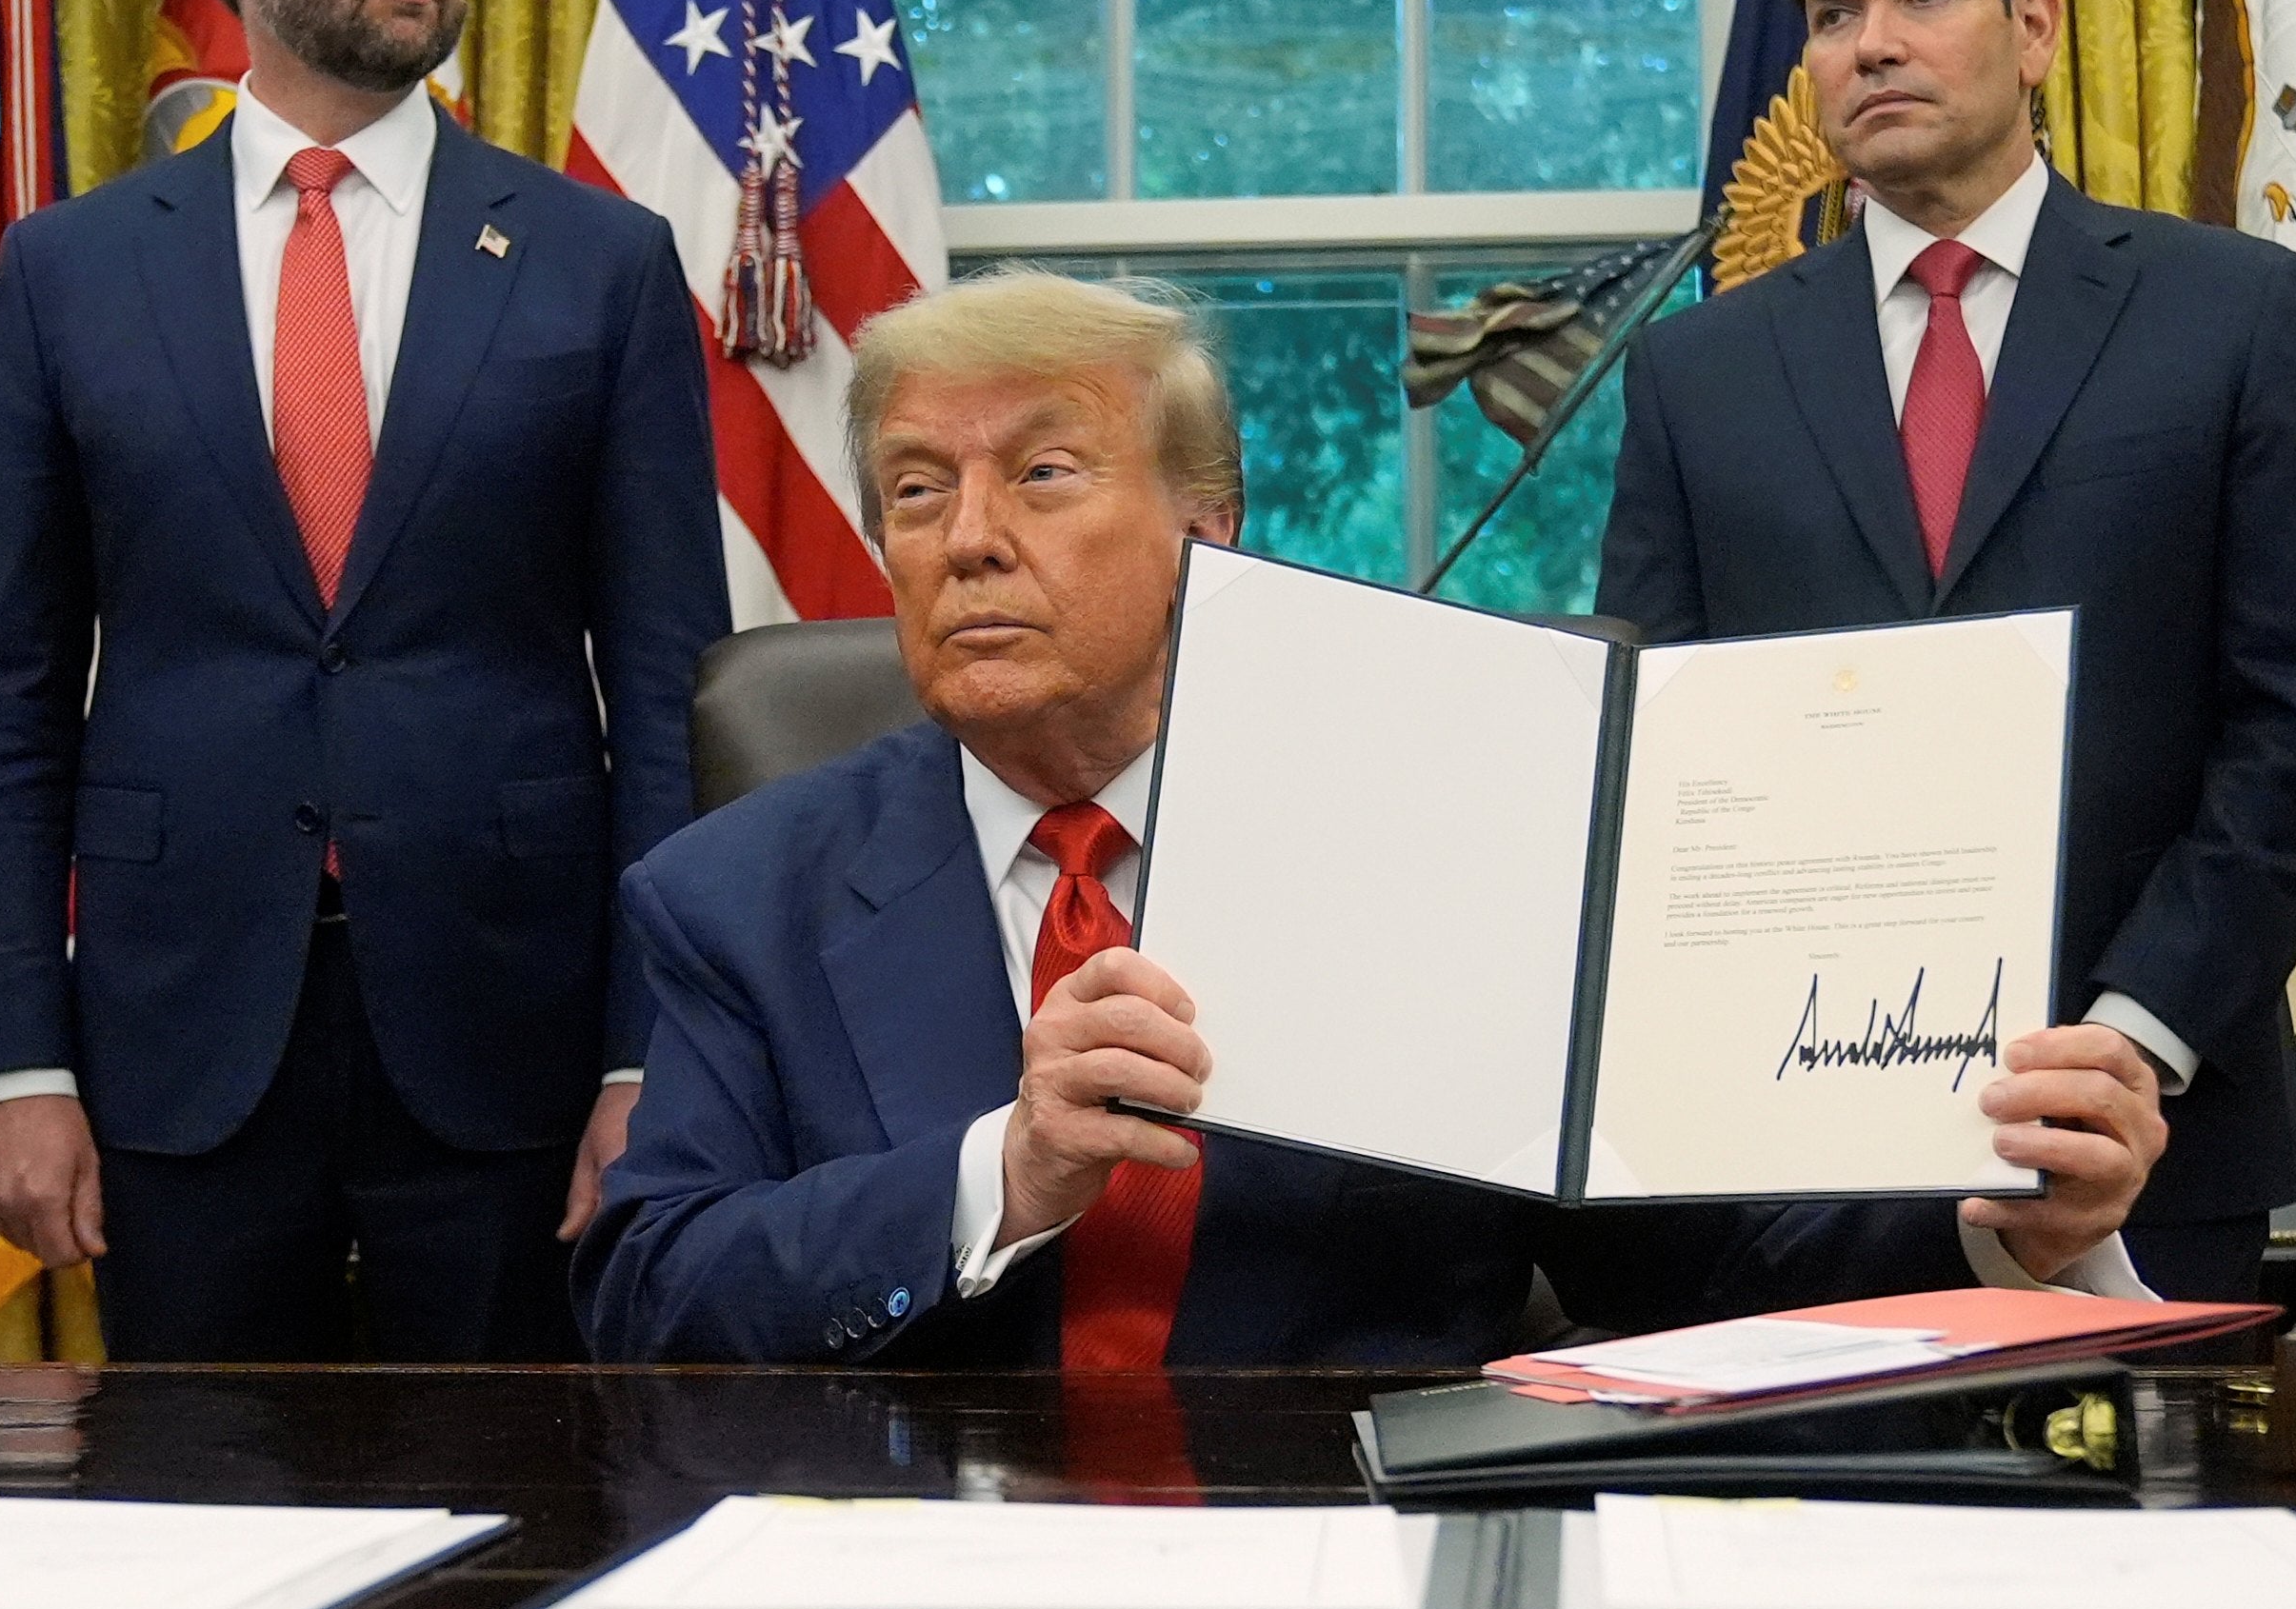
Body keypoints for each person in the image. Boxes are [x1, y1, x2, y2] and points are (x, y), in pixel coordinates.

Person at [573, 268, 2168, 1366]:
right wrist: (1007, 1171)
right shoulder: (737, 891)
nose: (969, 540)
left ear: (1212, 526)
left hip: (1365, 1580)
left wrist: (2009, 1215)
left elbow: (1686, 1268)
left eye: (1044, 473)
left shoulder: (1444, 828)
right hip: (920, 1598)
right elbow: (647, 1297)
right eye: (917, 491)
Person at [0, 0, 727, 1361]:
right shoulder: (71, 272)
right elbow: (9, 698)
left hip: (511, 1039)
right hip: (177, 1039)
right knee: (197, 1547)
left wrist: (651, 1059)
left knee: (519, 1545)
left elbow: (669, 695)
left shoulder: (600, 262)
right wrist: (14, 1063)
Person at [1599, 0, 2296, 1302]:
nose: (1872, 41)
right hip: (1785, 1162)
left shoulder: (2234, 312)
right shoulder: (1697, 371)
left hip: (2155, 1133)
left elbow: (2293, 727)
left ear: (2034, 26)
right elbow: (1662, 746)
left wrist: (2129, 1047)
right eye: (1834, 14)